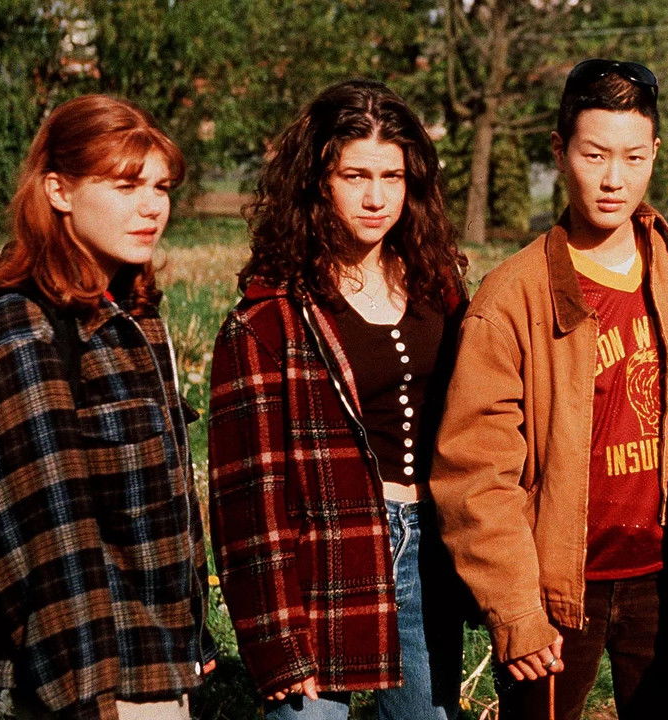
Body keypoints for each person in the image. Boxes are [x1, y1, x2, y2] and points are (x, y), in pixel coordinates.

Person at [431, 59, 668, 720]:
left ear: (654, 152)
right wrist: (516, 609)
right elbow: (476, 472)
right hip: (555, 591)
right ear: (559, 151)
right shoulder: (511, 297)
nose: (614, 179)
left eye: (633, 157)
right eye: (594, 155)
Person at [0, 94, 208, 720]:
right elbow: (50, 543)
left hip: (157, 669)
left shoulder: (130, 315)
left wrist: (192, 644)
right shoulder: (22, 329)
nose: (152, 207)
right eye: (125, 186)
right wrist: (93, 703)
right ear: (58, 191)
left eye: (161, 187)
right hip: (87, 684)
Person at [208, 80, 468, 720]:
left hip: (430, 549)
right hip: (327, 558)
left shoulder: (438, 286)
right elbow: (248, 501)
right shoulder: (270, 318)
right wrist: (275, 643)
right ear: (317, 181)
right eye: (355, 176)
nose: (376, 198)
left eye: (392, 176)